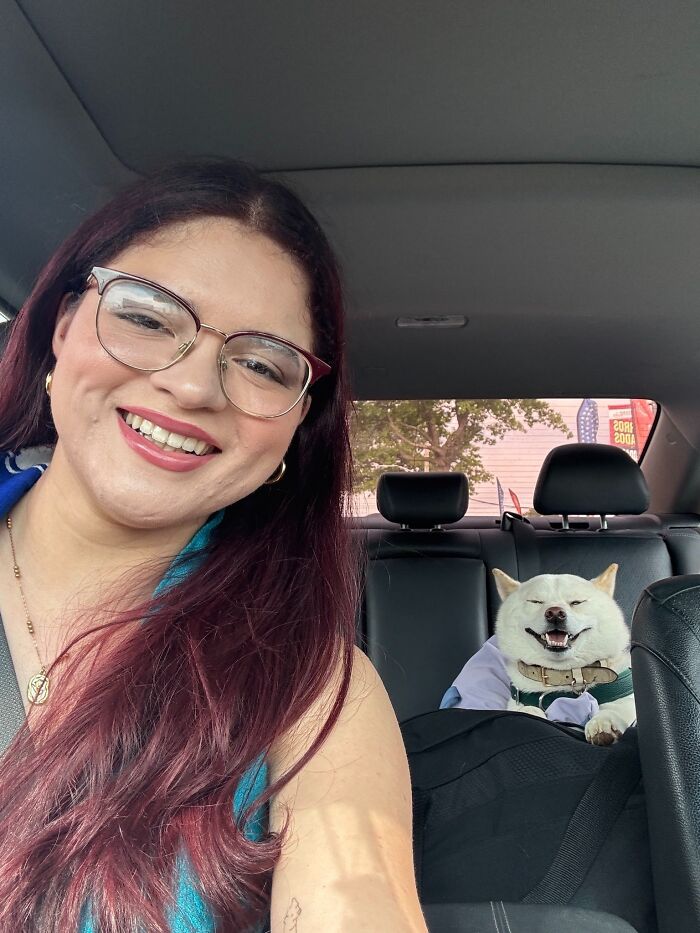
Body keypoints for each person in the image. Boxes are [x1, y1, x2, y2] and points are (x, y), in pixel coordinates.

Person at [0, 161, 427, 932]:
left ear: (297, 427)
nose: (194, 386)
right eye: (147, 317)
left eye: (261, 363)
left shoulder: (312, 687)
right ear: (62, 326)